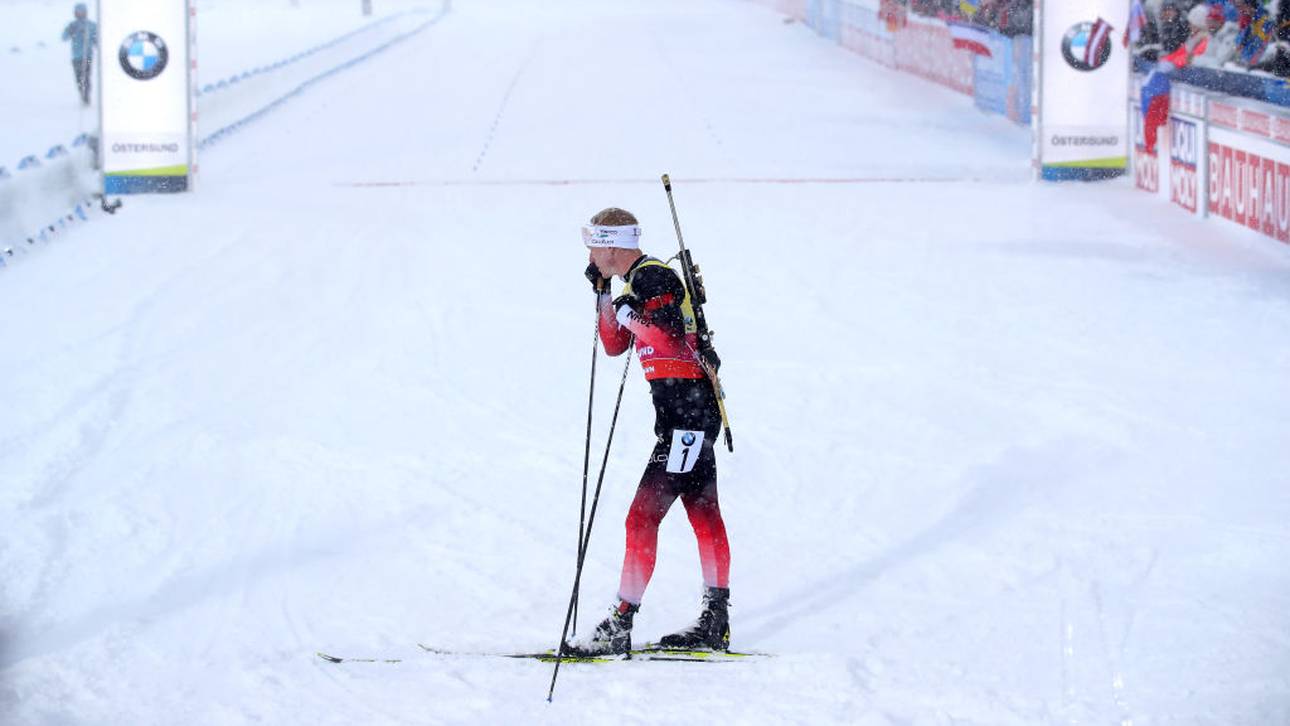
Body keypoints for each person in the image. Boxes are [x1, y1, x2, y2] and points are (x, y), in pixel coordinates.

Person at [563, 207, 731, 657]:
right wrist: (605, 295)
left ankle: (621, 622)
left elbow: (670, 339)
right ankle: (716, 620)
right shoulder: (633, 283)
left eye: (594, 245)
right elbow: (616, 344)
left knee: (641, 517)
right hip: (688, 416)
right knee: (703, 513)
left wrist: (626, 309)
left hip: (687, 420)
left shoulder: (653, 277)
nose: (590, 252)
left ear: (611, 244)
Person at [61, 3, 97, 106]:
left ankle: (86, 96)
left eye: (82, 12)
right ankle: (82, 94)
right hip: (76, 57)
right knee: (79, 78)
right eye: (78, 12)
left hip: (88, 56)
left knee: (86, 76)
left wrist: (93, 38)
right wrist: (70, 31)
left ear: (86, 12)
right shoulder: (72, 25)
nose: (80, 14)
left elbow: (97, 41)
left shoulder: (91, 25)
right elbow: (64, 38)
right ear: (75, 13)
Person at [1192, 2, 1241, 67]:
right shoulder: (1213, 35)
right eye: (1208, 21)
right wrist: (1194, 60)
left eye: (1212, 21)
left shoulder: (1230, 36)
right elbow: (1208, 56)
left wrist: (1194, 60)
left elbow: (1219, 61)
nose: (1209, 24)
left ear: (1220, 22)